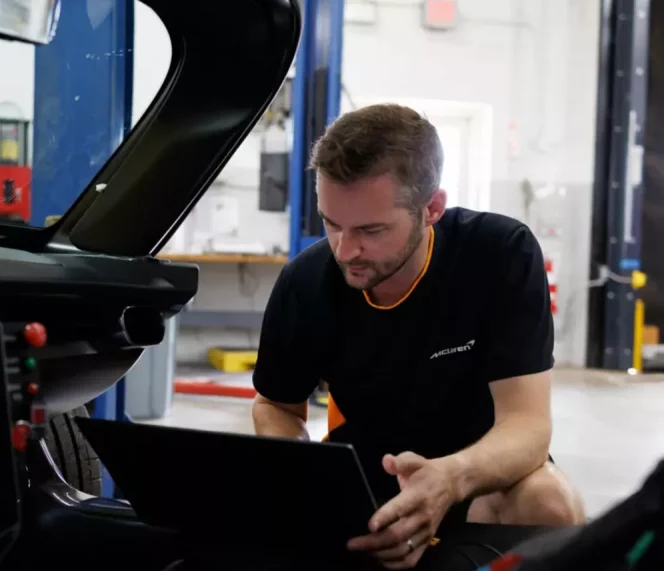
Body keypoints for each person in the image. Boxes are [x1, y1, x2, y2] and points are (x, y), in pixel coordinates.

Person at [251, 104, 587, 569]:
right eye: (332, 223)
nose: (346, 251)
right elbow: (275, 406)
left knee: (552, 504)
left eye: (371, 230)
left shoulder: (499, 254)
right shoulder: (305, 284)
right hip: (366, 480)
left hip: (479, 474)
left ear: (431, 208)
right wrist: (306, 478)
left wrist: (450, 479)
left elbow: (527, 427)